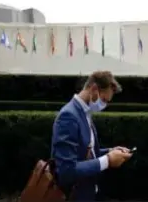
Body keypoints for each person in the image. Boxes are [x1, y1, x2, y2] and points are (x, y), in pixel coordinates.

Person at [51, 71, 133, 201]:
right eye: (104, 100)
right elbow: (66, 171)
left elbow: (84, 152)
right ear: (94, 89)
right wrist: (107, 160)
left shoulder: (84, 113)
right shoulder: (69, 116)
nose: (104, 105)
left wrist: (110, 152)